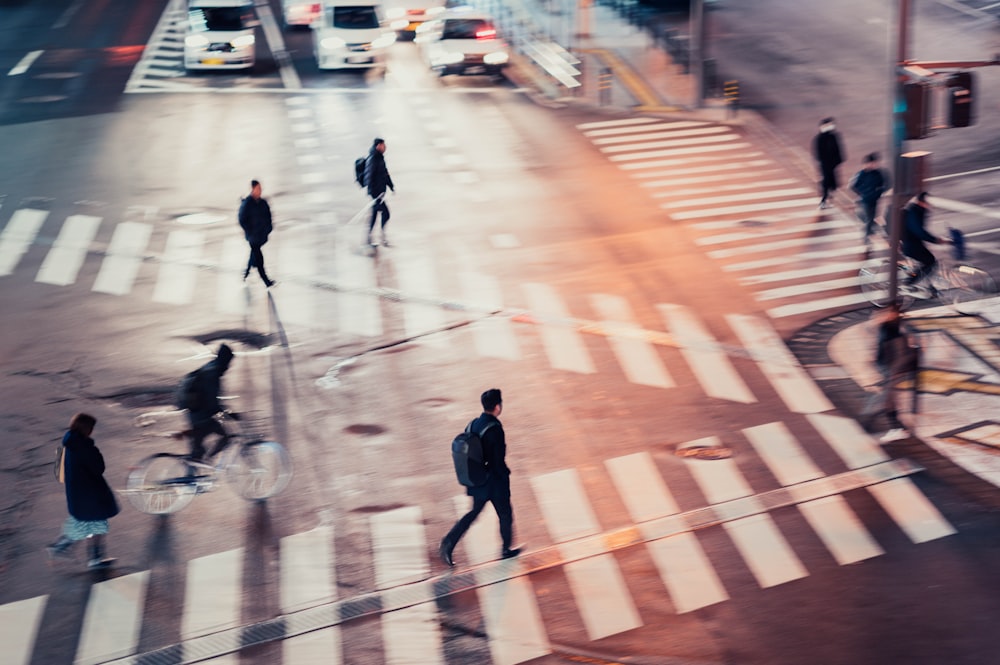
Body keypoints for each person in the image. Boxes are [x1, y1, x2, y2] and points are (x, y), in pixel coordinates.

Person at [440, 388, 520, 567]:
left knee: (472, 514)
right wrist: (504, 475)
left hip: (478, 480)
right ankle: (506, 549)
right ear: (497, 406)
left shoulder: (473, 424)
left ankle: (448, 543)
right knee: (505, 514)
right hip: (494, 482)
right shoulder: (495, 429)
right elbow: (497, 459)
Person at [47, 413, 120, 569]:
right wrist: (95, 451)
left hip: (76, 492)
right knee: (96, 525)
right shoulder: (86, 447)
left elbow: (59, 472)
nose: (92, 431)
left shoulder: (66, 443)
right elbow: (99, 468)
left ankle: (60, 548)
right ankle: (94, 559)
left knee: (85, 525)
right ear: (86, 428)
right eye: (91, 428)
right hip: (92, 493)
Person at [184, 343, 236, 461]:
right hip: (200, 413)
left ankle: (193, 470)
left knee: (197, 451)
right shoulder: (213, 374)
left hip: (194, 410)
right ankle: (207, 459)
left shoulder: (211, 367)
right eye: (229, 362)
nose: (229, 366)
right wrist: (229, 414)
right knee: (225, 437)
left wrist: (222, 412)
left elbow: (210, 399)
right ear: (225, 360)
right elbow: (212, 401)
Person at [901, 192, 945, 287]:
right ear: (921, 202)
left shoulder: (919, 210)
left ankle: (926, 285)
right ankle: (909, 283)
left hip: (913, 243)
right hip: (910, 245)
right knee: (930, 261)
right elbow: (919, 231)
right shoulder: (914, 212)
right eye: (927, 202)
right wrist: (936, 240)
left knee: (926, 263)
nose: (929, 205)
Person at [239, 179, 275, 288]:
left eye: (260, 189)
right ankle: (266, 281)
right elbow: (241, 219)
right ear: (253, 189)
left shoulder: (263, 203)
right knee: (259, 258)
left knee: (254, 255)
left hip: (261, 235)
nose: (260, 191)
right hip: (253, 237)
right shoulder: (247, 204)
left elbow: (269, 216)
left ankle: (246, 273)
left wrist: (269, 228)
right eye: (258, 188)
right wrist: (249, 231)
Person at [850, 152, 889, 245]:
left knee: (871, 218)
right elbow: (853, 186)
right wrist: (863, 193)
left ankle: (870, 231)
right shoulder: (862, 174)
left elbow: (884, 184)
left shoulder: (878, 173)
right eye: (873, 163)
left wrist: (879, 192)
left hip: (874, 200)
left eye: (875, 163)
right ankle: (866, 238)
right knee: (869, 219)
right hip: (865, 200)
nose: (875, 164)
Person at [364, 137, 395, 247]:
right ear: (378, 146)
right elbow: (369, 177)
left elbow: (385, 174)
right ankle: (381, 237)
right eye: (383, 145)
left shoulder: (380, 158)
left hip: (380, 194)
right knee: (385, 213)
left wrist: (391, 186)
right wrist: (374, 194)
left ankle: (370, 238)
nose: (385, 147)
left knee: (375, 215)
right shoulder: (373, 159)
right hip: (376, 194)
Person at [813, 117, 845, 209]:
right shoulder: (820, 138)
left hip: (833, 163)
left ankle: (829, 197)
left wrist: (838, 160)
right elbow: (818, 153)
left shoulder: (834, 136)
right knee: (826, 181)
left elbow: (838, 148)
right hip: (825, 164)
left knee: (832, 181)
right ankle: (824, 200)